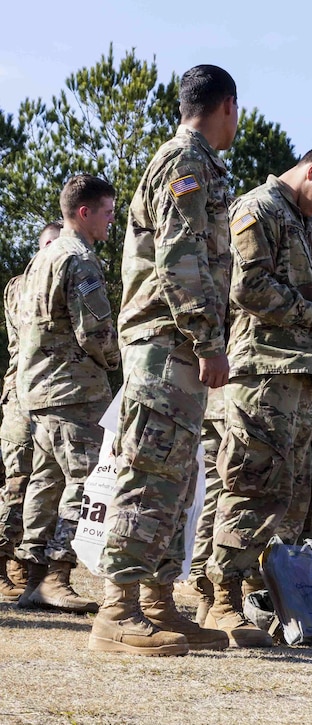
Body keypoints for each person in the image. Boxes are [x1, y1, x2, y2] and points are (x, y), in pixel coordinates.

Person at [88, 66, 238, 655]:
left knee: (176, 476)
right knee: (149, 469)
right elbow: (179, 261)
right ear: (229, 104)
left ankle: (155, 601)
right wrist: (208, 339)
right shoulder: (184, 162)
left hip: (176, 344)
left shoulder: (198, 163)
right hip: (165, 341)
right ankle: (116, 609)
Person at [202, 144, 312, 647]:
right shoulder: (259, 210)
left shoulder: (302, 227)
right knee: (250, 484)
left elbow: (310, 302)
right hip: (262, 372)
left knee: (282, 495)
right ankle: (220, 597)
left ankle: (251, 593)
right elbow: (244, 287)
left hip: (297, 379)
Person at [16, 176, 119, 615]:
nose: (112, 221)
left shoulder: (42, 259)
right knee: (86, 480)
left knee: (46, 481)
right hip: (73, 390)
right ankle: (57, 577)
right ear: (84, 212)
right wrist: (118, 361)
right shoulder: (80, 261)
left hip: (38, 389)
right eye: (108, 212)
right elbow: (96, 333)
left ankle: (33, 577)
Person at [0, 222, 60, 601]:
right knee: (18, 480)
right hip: (22, 394)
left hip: (49, 391)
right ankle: (2, 559)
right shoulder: (24, 285)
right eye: (48, 245)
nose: (55, 250)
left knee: (45, 480)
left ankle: (23, 563)